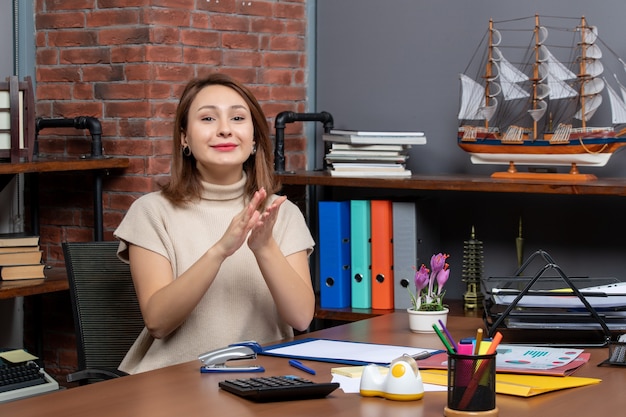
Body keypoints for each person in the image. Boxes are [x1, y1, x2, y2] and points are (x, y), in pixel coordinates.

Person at [114, 73, 315, 374]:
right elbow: (157, 322)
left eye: (237, 118)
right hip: (170, 383)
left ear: (255, 138)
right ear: (184, 137)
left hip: (260, 380)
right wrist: (220, 250)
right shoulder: (151, 212)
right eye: (207, 119)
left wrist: (264, 247)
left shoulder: (281, 213)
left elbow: (301, 318)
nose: (224, 130)